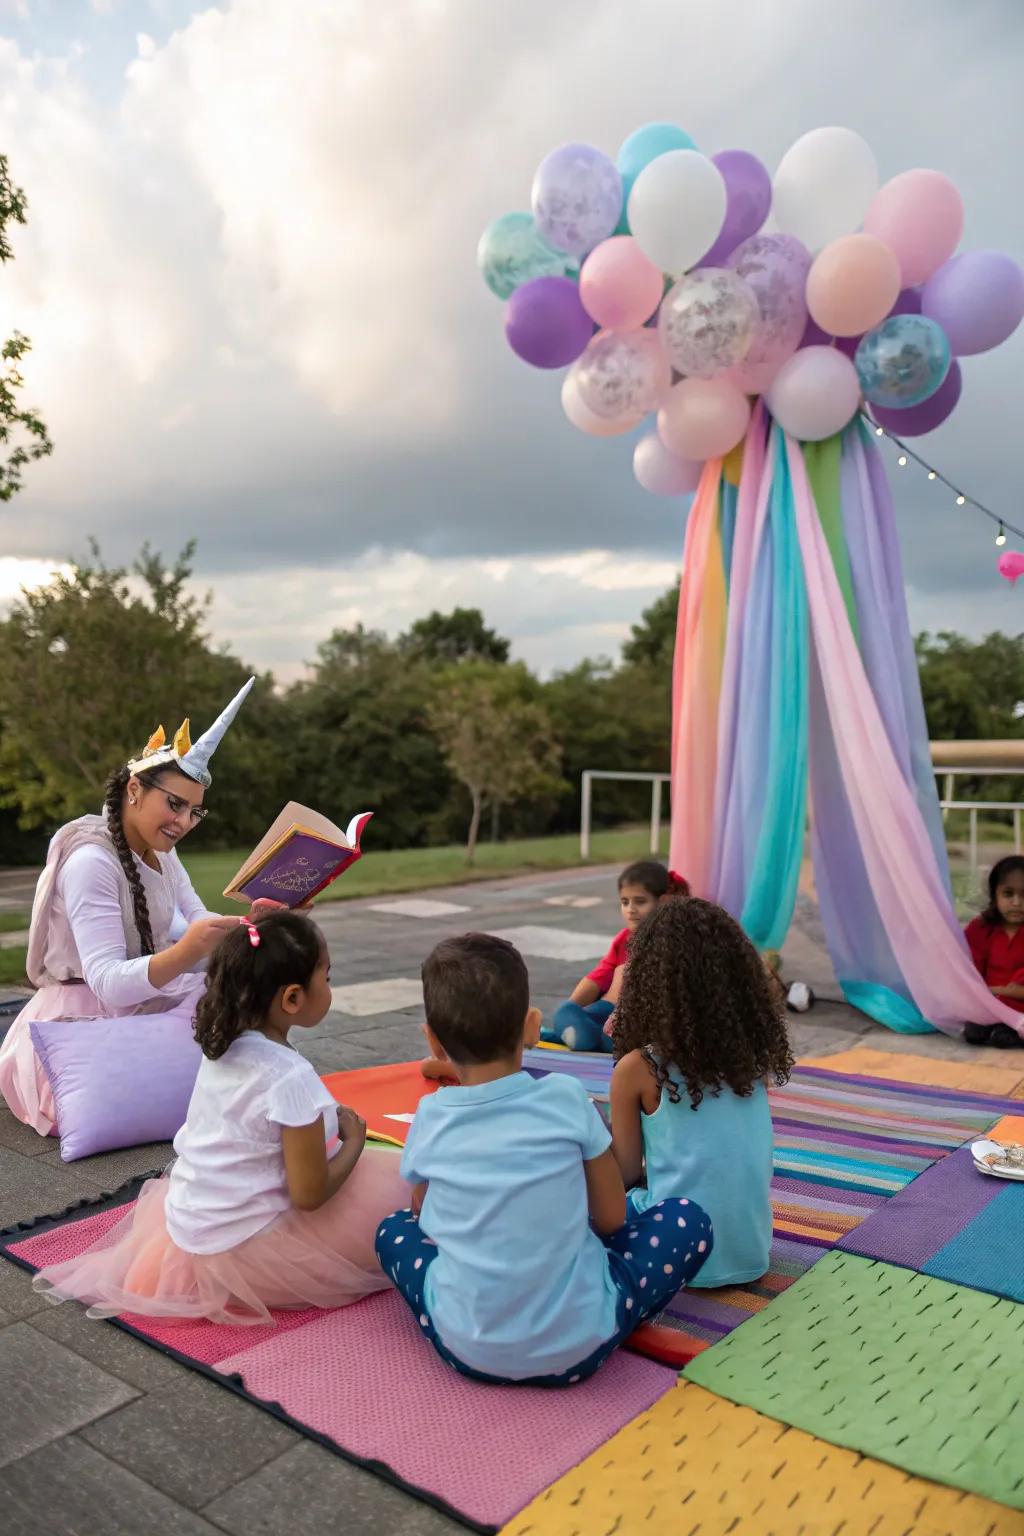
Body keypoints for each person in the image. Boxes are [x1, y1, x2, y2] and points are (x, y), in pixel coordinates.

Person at [32, 912, 409, 1323]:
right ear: (292, 999)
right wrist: (354, 1141)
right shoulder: (289, 1078)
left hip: (192, 1229)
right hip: (252, 1251)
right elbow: (309, 1195)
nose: (331, 987)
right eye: (328, 977)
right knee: (400, 1187)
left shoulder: (227, 1048)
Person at [377, 933, 711, 1386]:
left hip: (467, 1347)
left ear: (433, 1041)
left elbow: (422, 1216)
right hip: (582, 1343)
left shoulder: (431, 1116)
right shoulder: (566, 1097)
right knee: (688, 1218)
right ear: (533, 1026)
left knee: (391, 1230)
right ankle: (613, 1310)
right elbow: (612, 1219)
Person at [0, 679, 281, 1135]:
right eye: (175, 804)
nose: (183, 822)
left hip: (147, 999)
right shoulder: (92, 861)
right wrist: (187, 952)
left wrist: (252, 924)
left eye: (194, 811)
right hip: (80, 1028)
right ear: (135, 788)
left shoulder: (164, 853)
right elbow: (109, 983)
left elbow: (199, 921)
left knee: (244, 1005)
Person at [609, 899, 793, 1289]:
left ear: (647, 981)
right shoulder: (752, 1059)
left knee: (587, 1203)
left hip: (675, 1258)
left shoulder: (639, 1069)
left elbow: (623, 1174)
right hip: (751, 1252)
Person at [542, 861, 690, 1053]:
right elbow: (596, 978)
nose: (631, 909)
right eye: (625, 902)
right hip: (605, 1009)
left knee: (608, 1036)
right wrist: (572, 1007)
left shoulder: (670, 941)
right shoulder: (623, 939)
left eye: (640, 901)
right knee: (567, 1012)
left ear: (662, 902)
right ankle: (576, 1034)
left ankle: (575, 1037)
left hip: (633, 1017)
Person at [963, 855, 1024, 1049]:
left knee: (1003, 1038)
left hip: (1019, 1006)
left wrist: (996, 991)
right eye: (1008, 894)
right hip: (988, 1004)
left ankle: (1008, 1031)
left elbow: (1019, 990)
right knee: (973, 1033)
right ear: (994, 895)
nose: (1017, 902)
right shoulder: (981, 928)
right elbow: (967, 969)